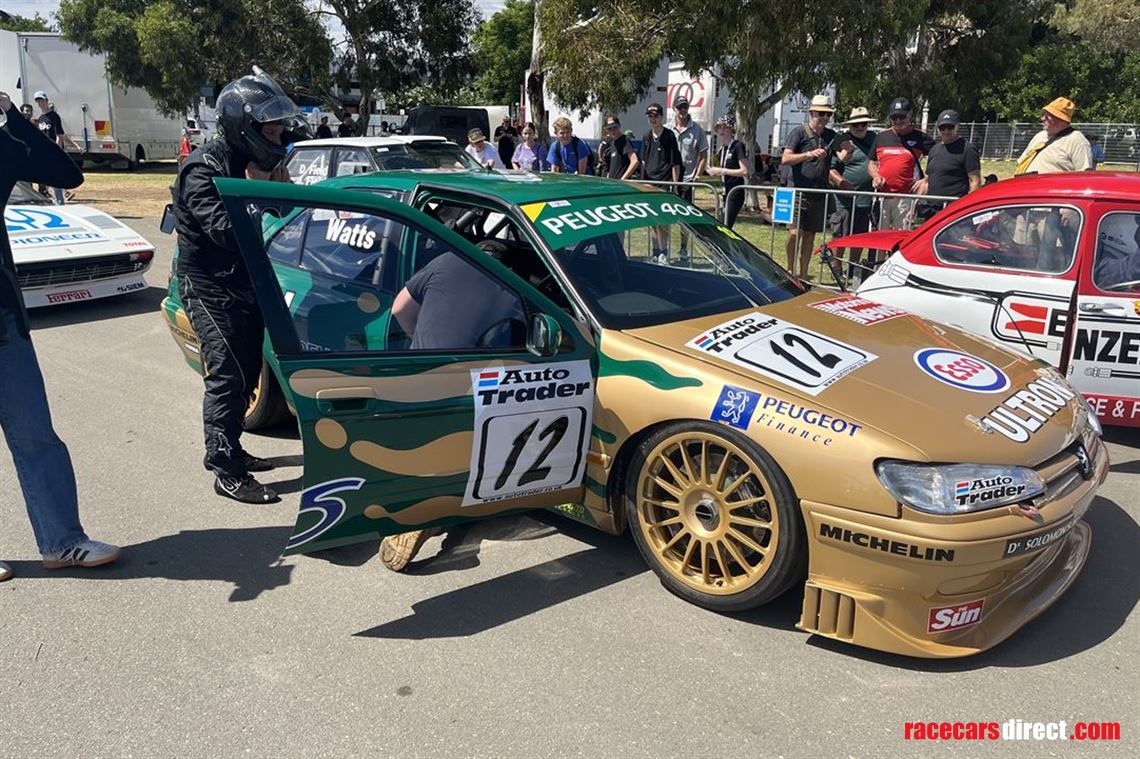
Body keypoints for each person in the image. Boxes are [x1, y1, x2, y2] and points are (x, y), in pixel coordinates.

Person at [0, 91, 120, 582]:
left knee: (36, 435)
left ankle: (62, 542)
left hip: (3, 320)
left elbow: (67, 175)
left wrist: (13, 118)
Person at [174, 69, 306, 504]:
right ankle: (225, 469)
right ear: (242, 126)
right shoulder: (201, 168)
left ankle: (231, 446)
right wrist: (256, 189)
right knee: (228, 375)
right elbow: (225, 231)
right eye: (270, 129)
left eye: (279, 128)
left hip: (244, 281)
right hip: (207, 284)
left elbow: (286, 212)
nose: (277, 137)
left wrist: (280, 192)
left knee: (250, 369)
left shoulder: (251, 163)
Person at [381, 249, 526, 570]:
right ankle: (429, 511)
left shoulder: (446, 260)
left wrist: (419, 344)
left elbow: (399, 309)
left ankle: (414, 509)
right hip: (466, 394)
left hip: (418, 381)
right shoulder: (515, 290)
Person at [781, 94, 848, 279]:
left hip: (818, 192)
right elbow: (785, 158)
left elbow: (843, 157)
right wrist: (808, 154)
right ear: (812, 113)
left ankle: (803, 273)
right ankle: (789, 270)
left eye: (828, 115)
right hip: (798, 191)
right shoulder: (799, 132)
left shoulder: (830, 135)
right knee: (795, 233)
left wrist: (848, 150)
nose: (825, 118)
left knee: (810, 235)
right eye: (821, 114)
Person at [827, 106, 878, 279]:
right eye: (855, 124)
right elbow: (831, 168)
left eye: (863, 123)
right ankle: (837, 268)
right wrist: (841, 182)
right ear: (850, 125)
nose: (859, 127)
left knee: (860, 235)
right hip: (844, 198)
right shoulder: (841, 140)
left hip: (867, 197)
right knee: (840, 234)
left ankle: (853, 268)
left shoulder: (875, 139)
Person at [868, 97, 932, 231]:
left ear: (910, 115)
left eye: (902, 117)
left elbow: (939, 159)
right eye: (894, 117)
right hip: (882, 198)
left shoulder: (921, 137)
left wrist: (926, 179)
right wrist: (875, 176)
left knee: (900, 239)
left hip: (906, 198)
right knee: (879, 239)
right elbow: (872, 163)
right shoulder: (881, 137)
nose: (898, 121)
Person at [914, 109, 980, 224]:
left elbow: (975, 181)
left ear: (957, 126)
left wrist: (968, 208)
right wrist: (914, 206)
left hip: (953, 210)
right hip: (931, 210)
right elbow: (927, 181)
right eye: (942, 127)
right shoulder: (934, 150)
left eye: (950, 127)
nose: (946, 131)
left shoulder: (967, 149)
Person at [1015, 97, 1092, 175]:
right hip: (1027, 184)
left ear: (1061, 121)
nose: (1042, 119)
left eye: (1047, 117)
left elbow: (1084, 176)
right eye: (1043, 115)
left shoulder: (1076, 140)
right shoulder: (1040, 135)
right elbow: (1022, 161)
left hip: (1054, 187)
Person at [32, 91, 79, 204]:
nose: (40, 103)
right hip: (44, 151)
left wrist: (57, 149)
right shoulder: (41, 118)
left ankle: (59, 201)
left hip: (52, 151)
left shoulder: (54, 116)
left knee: (53, 176)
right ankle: (61, 194)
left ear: (47, 101)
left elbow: (60, 135)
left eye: (42, 100)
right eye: (38, 101)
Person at [708, 114, 750, 229]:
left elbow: (745, 171)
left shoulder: (737, 146)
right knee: (721, 225)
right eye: (719, 128)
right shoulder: (723, 149)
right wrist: (715, 172)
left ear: (731, 129)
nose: (721, 131)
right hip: (725, 191)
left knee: (726, 226)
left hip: (735, 191)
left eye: (725, 127)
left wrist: (722, 170)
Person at [669, 96, 708, 201]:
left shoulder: (697, 129)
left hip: (687, 180)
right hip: (668, 179)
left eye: (685, 106)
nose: (683, 110)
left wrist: (697, 175)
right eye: (679, 107)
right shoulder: (667, 128)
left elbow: (704, 155)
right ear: (674, 108)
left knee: (685, 213)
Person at [599, 114, 639, 180]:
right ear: (606, 130)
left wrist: (623, 179)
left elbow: (635, 161)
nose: (613, 131)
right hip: (612, 184)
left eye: (615, 127)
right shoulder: (612, 143)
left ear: (619, 126)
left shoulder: (624, 140)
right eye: (610, 129)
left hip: (622, 185)